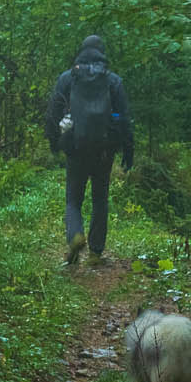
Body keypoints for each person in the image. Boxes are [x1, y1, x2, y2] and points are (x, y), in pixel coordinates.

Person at [45, 34, 134, 264]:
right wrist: (128, 149)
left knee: (73, 199)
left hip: (75, 147)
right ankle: (95, 252)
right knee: (100, 198)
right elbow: (124, 118)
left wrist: (54, 142)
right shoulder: (113, 81)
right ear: (102, 53)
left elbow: (53, 112)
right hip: (105, 150)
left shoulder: (68, 78)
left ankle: (75, 235)